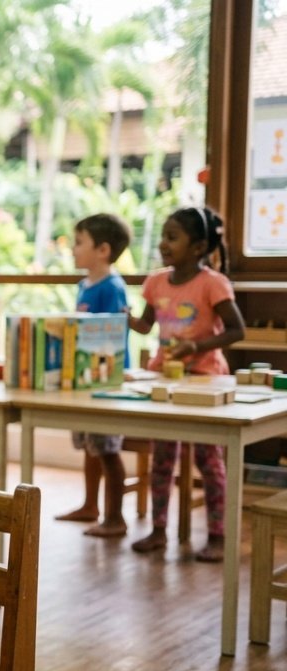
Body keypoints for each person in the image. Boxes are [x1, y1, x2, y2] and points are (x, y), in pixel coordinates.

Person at [129, 207, 245, 562]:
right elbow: (147, 326)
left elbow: (236, 330)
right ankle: (159, 530)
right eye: (163, 235)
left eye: (172, 236)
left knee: (208, 461)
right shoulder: (155, 281)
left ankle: (217, 535)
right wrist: (124, 319)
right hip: (165, 380)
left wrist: (196, 346)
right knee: (163, 458)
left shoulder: (213, 283)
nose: (164, 243)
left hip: (204, 381)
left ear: (197, 248)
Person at [56, 213, 133, 536]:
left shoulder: (112, 287)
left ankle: (115, 517)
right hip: (85, 375)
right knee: (91, 444)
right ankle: (91, 505)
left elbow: (114, 331)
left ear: (102, 250)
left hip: (106, 377)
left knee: (107, 448)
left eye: (79, 243)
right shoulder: (83, 286)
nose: (73, 249)